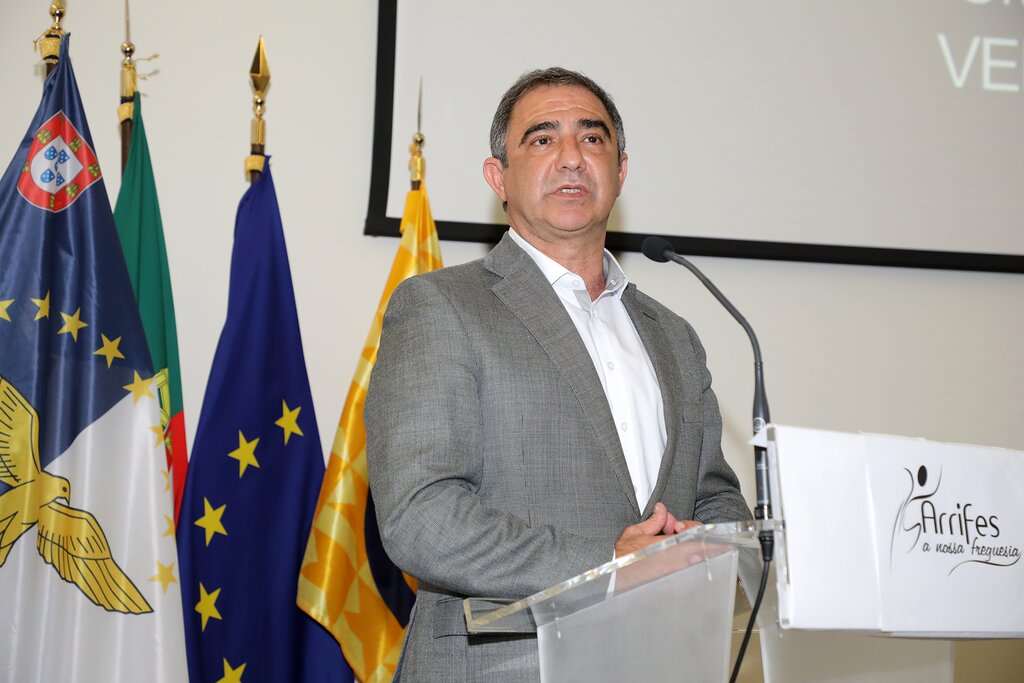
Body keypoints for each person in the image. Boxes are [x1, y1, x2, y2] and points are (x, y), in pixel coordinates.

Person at [365, 67, 750, 682]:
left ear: (620, 171)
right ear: (498, 178)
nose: (572, 157)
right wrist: (610, 565)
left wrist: (707, 547)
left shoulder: (674, 335)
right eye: (542, 139)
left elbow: (715, 497)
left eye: (592, 138)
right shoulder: (440, 307)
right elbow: (421, 517)